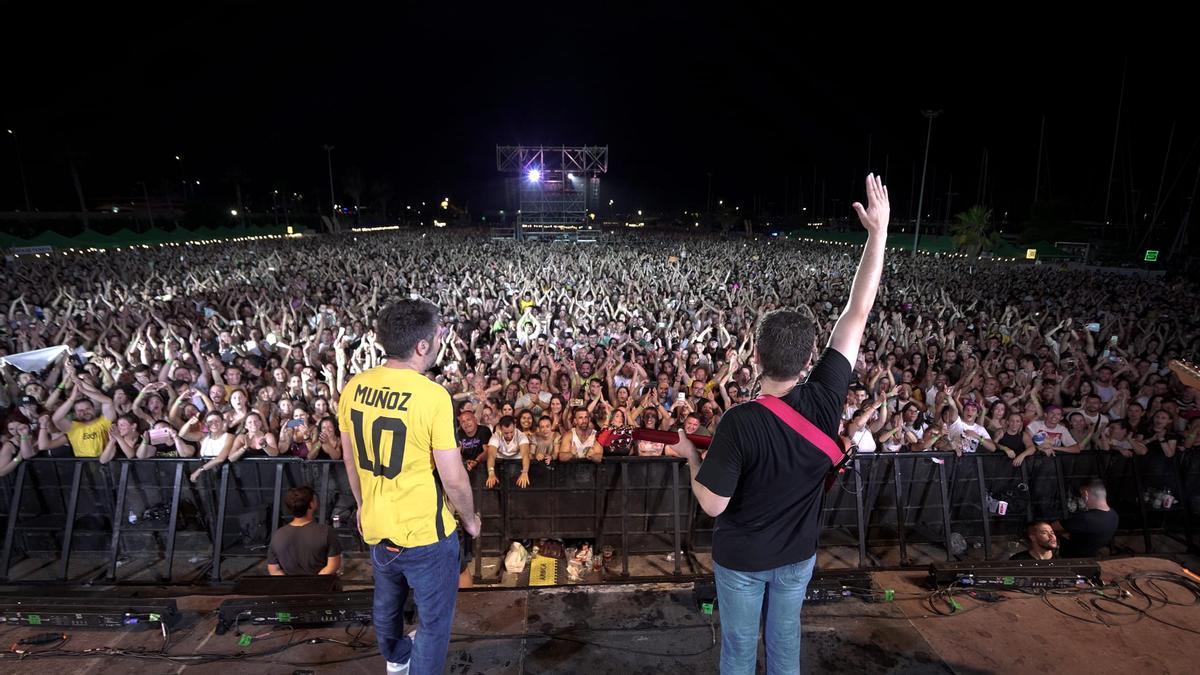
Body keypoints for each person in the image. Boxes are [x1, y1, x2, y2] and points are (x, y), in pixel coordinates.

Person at [671, 174, 889, 675]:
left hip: (743, 561)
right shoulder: (828, 397)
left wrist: (689, 457)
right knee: (786, 644)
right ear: (812, 356)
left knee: (739, 651)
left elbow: (711, 503)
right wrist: (877, 234)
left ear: (754, 355)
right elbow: (859, 311)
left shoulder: (739, 422)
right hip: (797, 556)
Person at [338, 299, 480, 675]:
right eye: (438, 336)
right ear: (421, 346)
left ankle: (397, 658)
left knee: (386, 605)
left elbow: (350, 460)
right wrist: (470, 519)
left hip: (377, 526)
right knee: (433, 626)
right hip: (426, 535)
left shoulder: (355, 386)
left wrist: (363, 505)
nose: (439, 341)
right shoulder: (431, 395)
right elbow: (453, 476)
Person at [266, 485, 343, 576]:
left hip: (291, 588)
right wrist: (313, 583)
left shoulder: (278, 535)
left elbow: (274, 569)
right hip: (322, 587)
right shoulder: (326, 532)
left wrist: (291, 585)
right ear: (311, 505)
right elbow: (333, 565)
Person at [1055, 479, 1118, 558]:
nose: (1082, 498)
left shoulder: (1085, 519)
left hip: (1073, 559)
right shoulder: (1113, 515)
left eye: (1081, 495)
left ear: (1086, 494)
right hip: (1093, 557)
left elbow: (1054, 527)